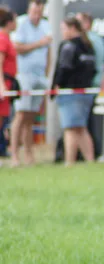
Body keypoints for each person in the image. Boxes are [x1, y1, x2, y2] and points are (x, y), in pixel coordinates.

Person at [10, 0, 50, 167]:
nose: (36, 15)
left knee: (31, 117)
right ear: (29, 10)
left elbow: (49, 51)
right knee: (20, 115)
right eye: (34, 12)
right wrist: (38, 44)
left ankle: (29, 155)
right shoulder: (20, 23)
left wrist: (47, 74)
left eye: (39, 12)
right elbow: (17, 48)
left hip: (40, 76)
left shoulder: (46, 25)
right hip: (24, 75)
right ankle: (14, 155)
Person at [51, 16, 97, 166]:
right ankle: (90, 160)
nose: (62, 32)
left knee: (70, 128)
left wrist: (56, 86)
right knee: (81, 128)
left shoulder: (68, 46)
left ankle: (69, 162)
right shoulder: (89, 45)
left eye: (63, 29)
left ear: (72, 29)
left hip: (69, 92)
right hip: (86, 92)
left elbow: (63, 68)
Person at [0, 7, 17, 165]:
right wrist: (1, 86)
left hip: (7, 83)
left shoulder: (6, 38)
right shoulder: (2, 38)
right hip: (3, 84)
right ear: (9, 22)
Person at [76, 13, 104, 87]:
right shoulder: (99, 39)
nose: (75, 25)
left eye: (78, 22)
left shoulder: (87, 39)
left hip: (89, 81)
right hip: (98, 79)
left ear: (87, 23)